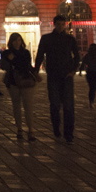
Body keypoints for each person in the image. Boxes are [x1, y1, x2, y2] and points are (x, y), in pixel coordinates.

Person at [34, 15, 80, 143]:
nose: (60, 26)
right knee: (54, 104)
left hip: (66, 76)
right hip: (53, 75)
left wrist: (73, 70)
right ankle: (56, 127)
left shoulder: (70, 39)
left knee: (68, 106)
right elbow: (39, 55)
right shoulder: (47, 38)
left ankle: (69, 134)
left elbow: (77, 56)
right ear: (54, 24)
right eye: (58, 24)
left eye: (62, 24)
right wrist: (35, 72)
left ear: (65, 25)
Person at [0, 33, 37, 140]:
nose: (17, 42)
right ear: (11, 42)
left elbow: (28, 66)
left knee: (28, 106)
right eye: (15, 40)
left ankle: (31, 130)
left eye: (19, 40)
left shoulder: (25, 52)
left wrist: (35, 74)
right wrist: (9, 60)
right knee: (16, 105)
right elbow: (3, 66)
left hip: (26, 80)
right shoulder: (6, 53)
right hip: (13, 81)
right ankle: (19, 129)